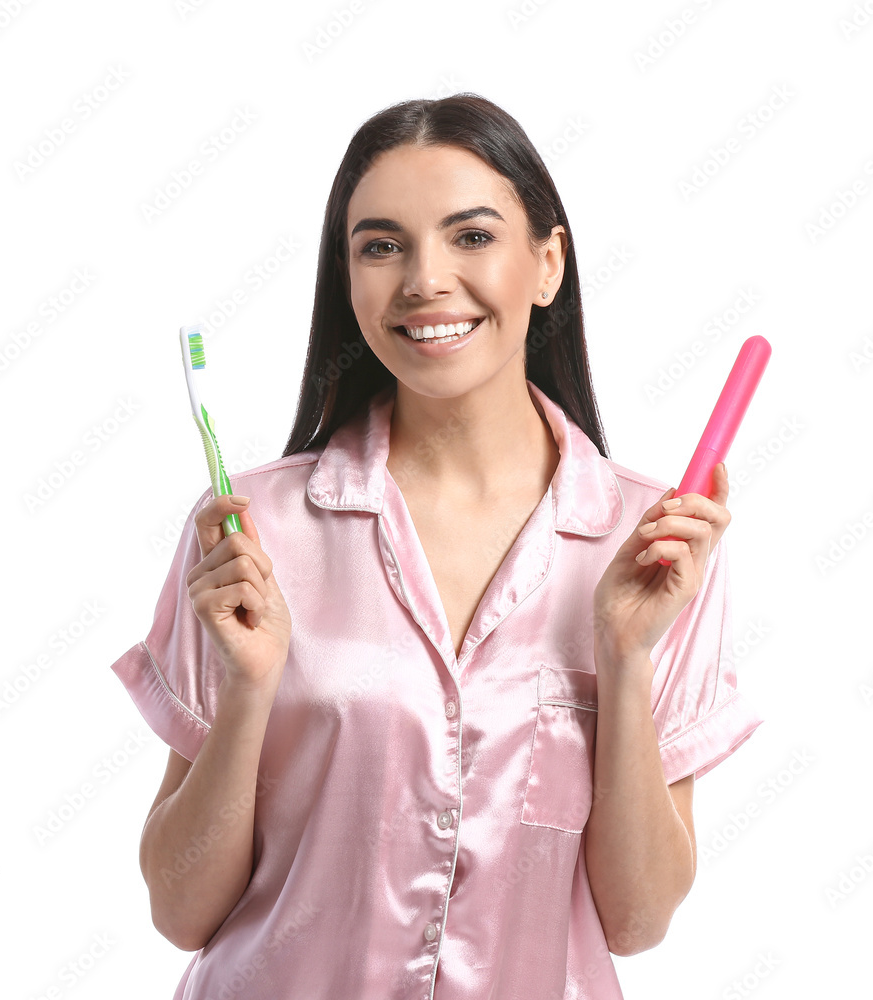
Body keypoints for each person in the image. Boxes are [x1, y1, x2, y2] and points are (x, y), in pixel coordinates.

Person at [109, 92, 763, 999]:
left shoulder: (653, 543)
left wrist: (621, 656)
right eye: (381, 245)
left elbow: (637, 919)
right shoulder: (248, 528)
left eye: (470, 236)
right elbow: (180, 912)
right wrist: (252, 688)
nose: (423, 280)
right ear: (347, 280)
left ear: (546, 262)